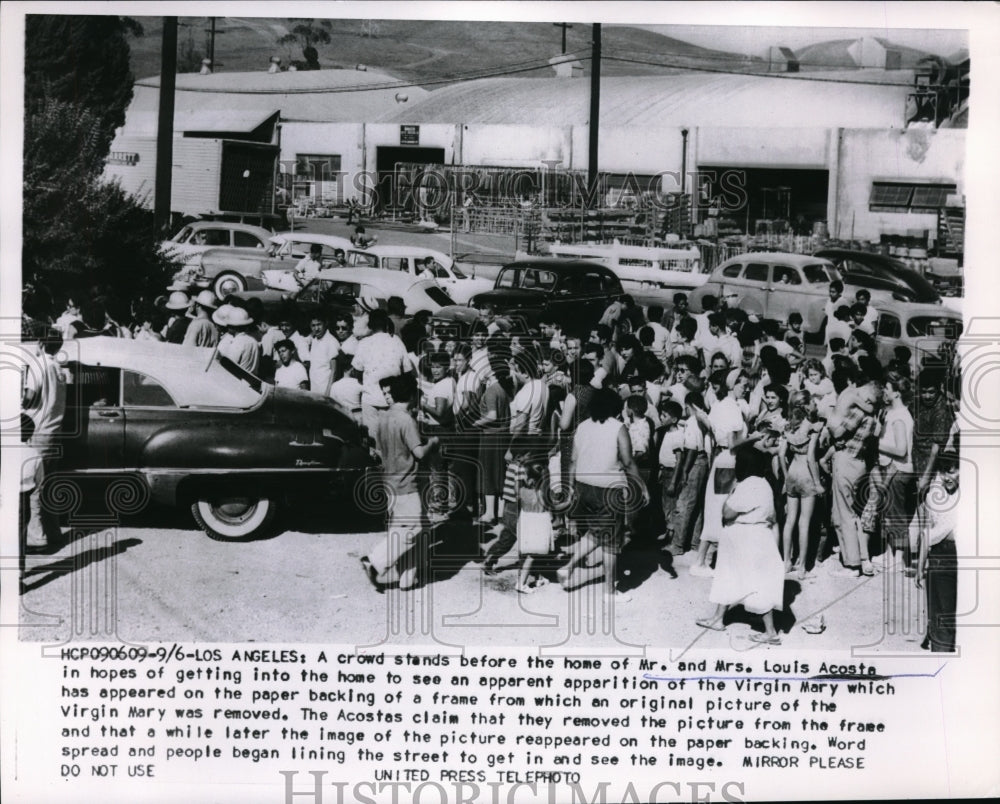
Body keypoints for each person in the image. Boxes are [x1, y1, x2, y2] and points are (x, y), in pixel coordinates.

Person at [562, 388, 649, 603]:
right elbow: (628, 462)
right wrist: (642, 487)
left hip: (584, 485)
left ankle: (569, 566)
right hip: (608, 488)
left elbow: (573, 459)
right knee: (611, 540)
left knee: (596, 532)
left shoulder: (582, 426)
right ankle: (609, 592)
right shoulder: (618, 427)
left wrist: (571, 486)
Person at [696, 447, 785, 644]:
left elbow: (727, 513)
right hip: (756, 536)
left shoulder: (748, 485)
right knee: (729, 577)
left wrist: (732, 491)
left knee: (754, 582)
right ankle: (718, 618)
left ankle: (770, 632)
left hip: (746, 537)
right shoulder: (764, 483)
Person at [360, 375, 439, 592]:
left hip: (390, 483)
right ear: (412, 395)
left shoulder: (383, 417)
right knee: (413, 529)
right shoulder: (406, 420)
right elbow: (419, 453)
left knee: (402, 529)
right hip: (407, 484)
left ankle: (407, 578)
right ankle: (375, 560)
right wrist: (433, 442)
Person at [21, 330, 67, 551]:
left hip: (38, 432)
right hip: (55, 431)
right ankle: (54, 534)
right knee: (49, 487)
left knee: (34, 487)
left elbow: (29, 396)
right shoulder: (59, 369)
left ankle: (37, 538)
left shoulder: (38, 365)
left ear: (40, 343)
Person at [915, 451, 959, 652]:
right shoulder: (935, 494)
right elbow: (927, 533)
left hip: (957, 555)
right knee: (940, 614)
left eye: (953, 471)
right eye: (943, 472)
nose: (947, 477)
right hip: (940, 556)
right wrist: (920, 566)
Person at [351, 310, 411, 449]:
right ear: (386, 323)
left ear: (370, 326)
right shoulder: (396, 341)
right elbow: (407, 371)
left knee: (372, 442)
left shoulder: (364, 343)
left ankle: (376, 467)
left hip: (370, 398)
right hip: (392, 399)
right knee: (392, 442)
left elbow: (357, 371)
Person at [780, 392, 824, 578]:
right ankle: (802, 568)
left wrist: (785, 478)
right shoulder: (812, 429)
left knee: (790, 520)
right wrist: (817, 483)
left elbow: (781, 455)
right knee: (804, 522)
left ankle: (786, 562)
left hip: (792, 473)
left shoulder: (789, 427)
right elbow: (811, 458)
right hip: (806, 475)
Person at [472, 349, 513, 525]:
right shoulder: (505, 389)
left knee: (488, 474)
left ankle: (489, 513)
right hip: (503, 436)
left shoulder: (491, 391)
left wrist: (474, 424)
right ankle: (502, 512)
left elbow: (492, 416)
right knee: (500, 474)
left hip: (490, 436)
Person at [515, 458, 555, 593]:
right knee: (533, 555)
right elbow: (550, 506)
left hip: (526, 521)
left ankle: (539, 577)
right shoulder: (543, 494)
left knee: (534, 554)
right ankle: (521, 584)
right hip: (539, 524)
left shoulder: (522, 491)